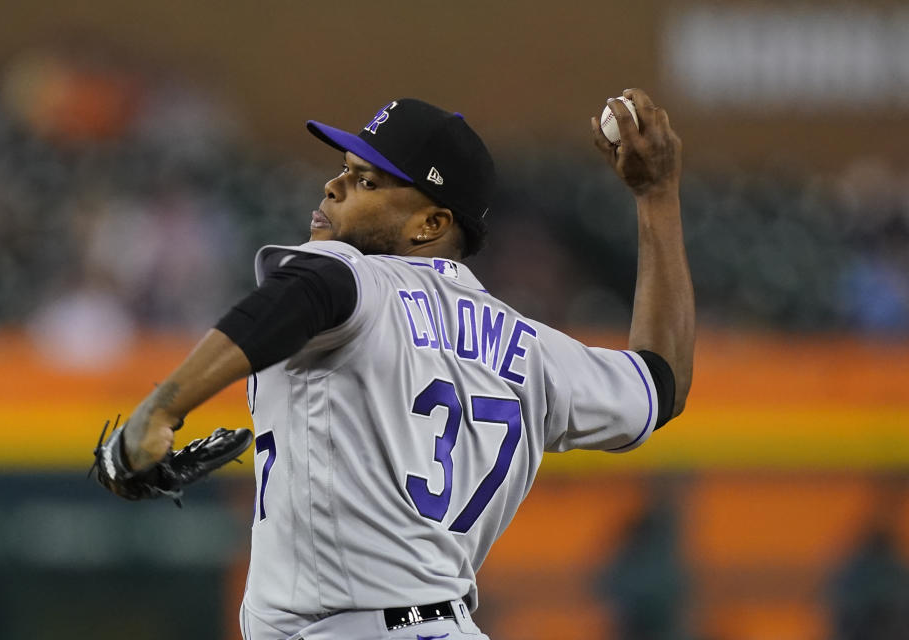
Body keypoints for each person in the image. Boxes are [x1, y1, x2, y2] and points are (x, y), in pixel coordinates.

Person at [116, 89, 694, 640]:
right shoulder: (536, 349)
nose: (334, 186)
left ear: (431, 224)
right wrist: (658, 196)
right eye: (344, 169)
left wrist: (160, 409)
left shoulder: (360, 279)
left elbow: (313, 288)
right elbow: (660, 382)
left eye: (365, 180)